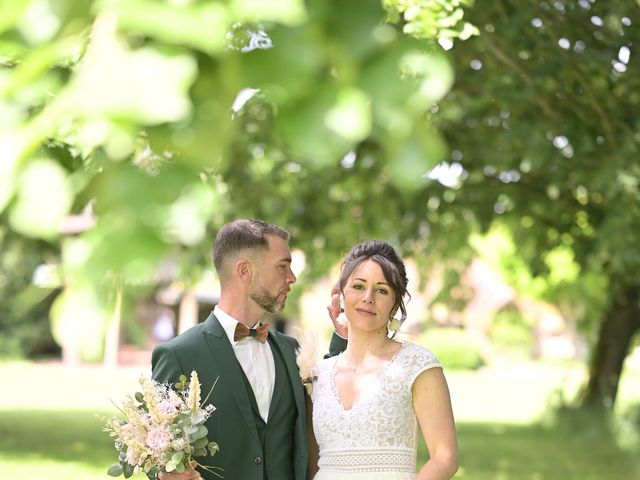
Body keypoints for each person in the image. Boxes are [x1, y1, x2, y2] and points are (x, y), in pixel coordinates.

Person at [151, 219, 345, 480]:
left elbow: (331, 398)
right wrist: (164, 472)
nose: (292, 278)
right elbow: (156, 451)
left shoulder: (291, 351)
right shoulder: (180, 355)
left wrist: (342, 337)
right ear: (245, 271)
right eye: (282, 266)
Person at [309, 240, 459, 480]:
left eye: (381, 290)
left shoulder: (417, 364)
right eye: (358, 286)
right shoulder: (316, 373)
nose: (368, 297)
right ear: (340, 294)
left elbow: (445, 457)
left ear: (395, 303)